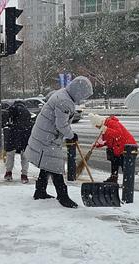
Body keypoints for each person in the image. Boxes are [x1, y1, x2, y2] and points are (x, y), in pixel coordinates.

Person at [24, 76, 94, 208]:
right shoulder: (64, 101)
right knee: (55, 165)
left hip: (45, 135)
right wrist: (71, 135)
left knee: (47, 163)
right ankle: (63, 196)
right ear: (78, 91)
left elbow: (62, 123)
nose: (83, 98)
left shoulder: (63, 95)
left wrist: (70, 134)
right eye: (84, 95)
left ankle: (40, 191)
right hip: (47, 138)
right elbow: (61, 125)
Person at [88, 113, 137, 184]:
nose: (97, 128)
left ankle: (128, 182)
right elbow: (108, 140)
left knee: (125, 165)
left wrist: (106, 129)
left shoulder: (112, 123)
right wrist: (98, 144)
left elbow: (118, 134)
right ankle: (114, 177)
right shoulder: (105, 126)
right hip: (118, 147)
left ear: (99, 123)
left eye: (97, 126)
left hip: (128, 147)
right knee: (114, 160)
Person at [3, 101, 33, 184]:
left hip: (14, 134)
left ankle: (8, 173)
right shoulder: (27, 112)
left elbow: (6, 116)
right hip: (26, 135)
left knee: (10, 154)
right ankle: (24, 175)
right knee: (25, 156)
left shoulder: (14, 108)